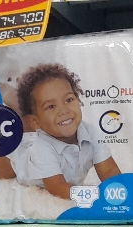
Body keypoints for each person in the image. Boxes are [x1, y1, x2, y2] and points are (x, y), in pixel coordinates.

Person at [12, 63, 120, 198]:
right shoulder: (41, 149)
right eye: (51, 106)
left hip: (34, 137)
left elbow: (109, 170)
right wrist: (95, 195)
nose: (64, 110)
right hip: (20, 157)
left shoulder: (90, 132)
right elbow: (57, 187)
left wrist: (120, 190)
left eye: (68, 100)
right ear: (36, 121)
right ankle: (10, 104)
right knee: (0, 163)